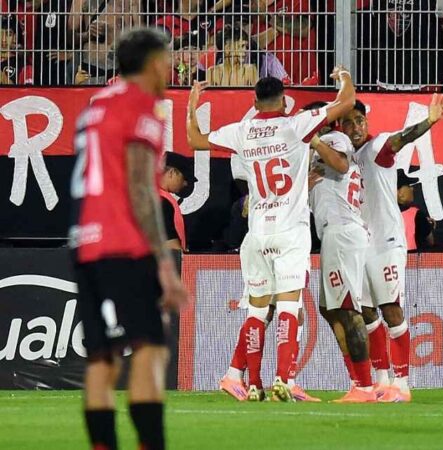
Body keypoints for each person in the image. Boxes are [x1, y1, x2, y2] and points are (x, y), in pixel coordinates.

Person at [186, 71, 356, 401]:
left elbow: (195, 140)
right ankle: (285, 379)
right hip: (290, 231)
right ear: (285, 102)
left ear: (254, 102)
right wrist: (344, 76)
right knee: (290, 307)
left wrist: (192, 103)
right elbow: (346, 101)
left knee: (257, 311)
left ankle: (251, 383)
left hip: (257, 233)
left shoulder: (242, 131)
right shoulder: (296, 125)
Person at [69, 27, 187, 450]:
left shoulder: (95, 106)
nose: (171, 68)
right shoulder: (143, 107)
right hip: (124, 244)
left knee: (101, 360)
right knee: (150, 351)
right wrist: (163, 264)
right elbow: (140, 188)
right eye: (168, 60)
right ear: (153, 63)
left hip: (85, 242)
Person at [339, 94, 443, 402]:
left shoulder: (377, 147)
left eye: (359, 121)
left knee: (391, 310)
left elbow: (401, 139)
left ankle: (402, 383)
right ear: (341, 128)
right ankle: (382, 380)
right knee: (366, 312)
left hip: (386, 242)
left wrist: (429, 121)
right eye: (348, 123)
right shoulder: (344, 158)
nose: (355, 127)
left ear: (366, 122)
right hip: (361, 244)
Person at [304, 101, 376, 402]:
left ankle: (366, 386)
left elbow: (342, 165)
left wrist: (315, 139)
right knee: (329, 309)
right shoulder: (313, 151)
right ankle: (357, 382)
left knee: (347, 309)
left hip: (342, 231)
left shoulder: (334, 139)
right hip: (335, 234)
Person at [159, 153, 197, 251]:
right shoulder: (161, 202)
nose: (185, 184)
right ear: (171, 173)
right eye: (184, 178)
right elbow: (171, 246)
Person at [397, 179, 435, 251]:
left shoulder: (382, 212)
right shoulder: (417, 214)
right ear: (398, 192)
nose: (412, 189)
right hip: (411, 256)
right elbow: (430, 242)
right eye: (408, 186)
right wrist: (429, 227)